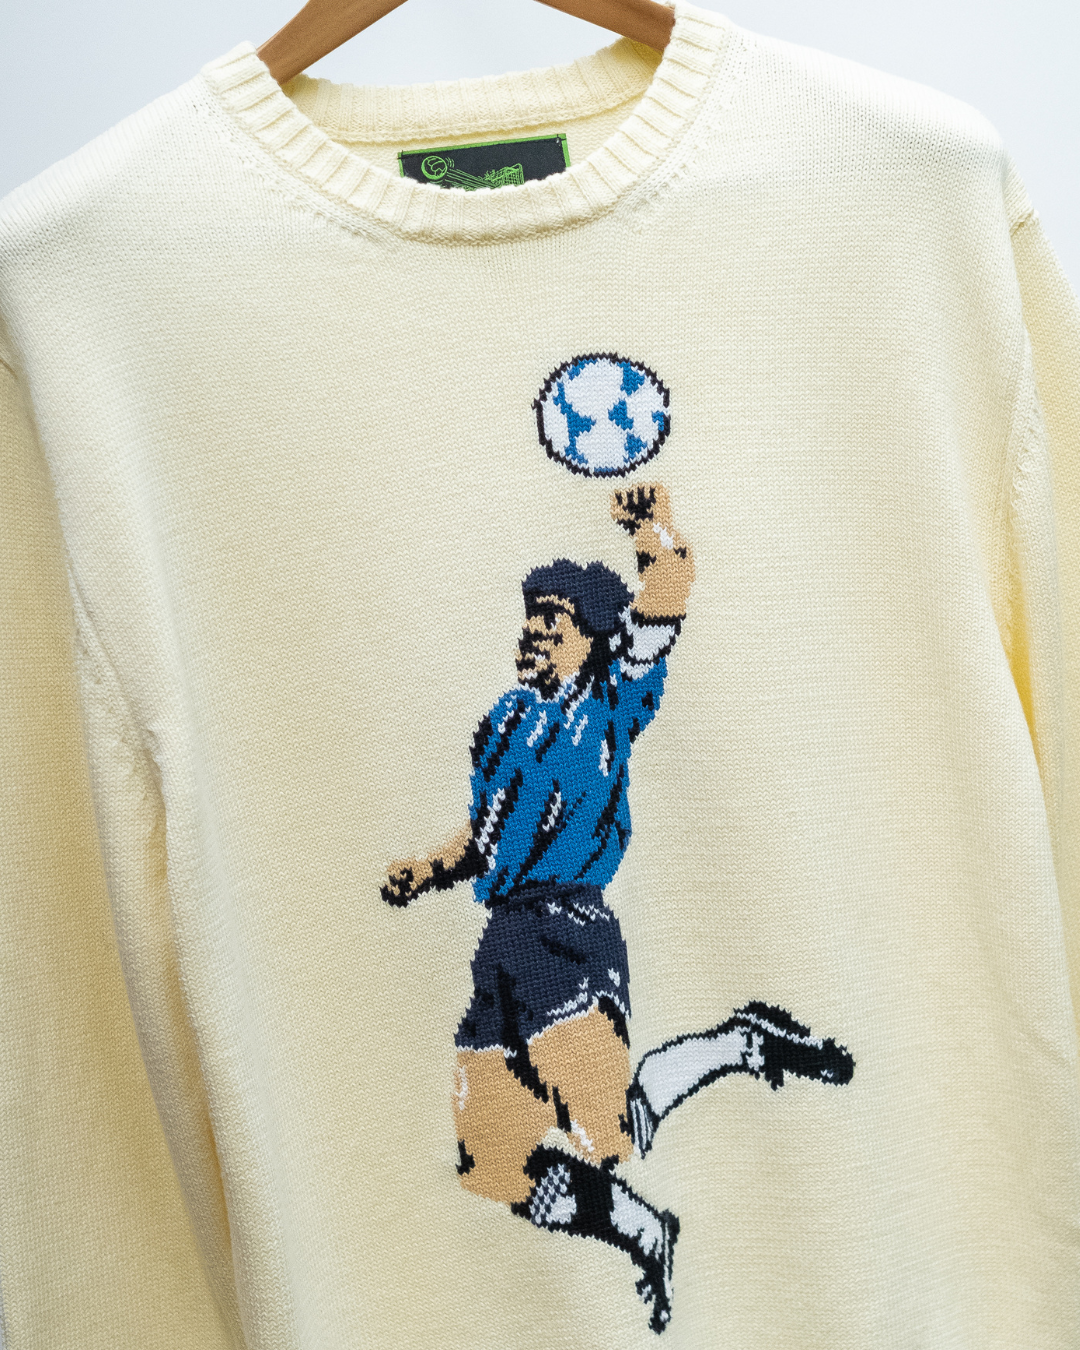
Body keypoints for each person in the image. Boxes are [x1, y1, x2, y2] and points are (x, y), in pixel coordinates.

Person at [382, 483, 853, 1333]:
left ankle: (743, 1042)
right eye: (530, 618)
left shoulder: (610, 697)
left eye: (552, 621)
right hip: (502, 942)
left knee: (609, 1136)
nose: (534, 632)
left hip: (568, 933)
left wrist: (650, 531)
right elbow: (485, 836)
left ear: (592, 637)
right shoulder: (503, 722)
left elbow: (665, 597)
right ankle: (643, 1231)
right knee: (492, 1159)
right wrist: (429, 869)